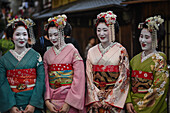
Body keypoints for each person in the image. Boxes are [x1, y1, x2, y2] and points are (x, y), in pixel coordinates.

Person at [85, 11, 129, 113]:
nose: (101, 33)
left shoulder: (121, 50)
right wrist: (95, 97)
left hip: (113, 100)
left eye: (105, 30)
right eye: (98, 30)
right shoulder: (91, 51)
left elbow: (124, 77)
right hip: (96, 99)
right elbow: (89, 76)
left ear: (112, 30)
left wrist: (110, 99)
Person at [0, 18, 45, 113]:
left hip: (32, 101)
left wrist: (33, 104)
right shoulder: (4, 59)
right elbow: (2, 83)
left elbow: (41, 80)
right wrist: (11, 106)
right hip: (12, 101)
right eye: (17, 34)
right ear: (12, 37)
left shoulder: (36, 56)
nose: (21, 38)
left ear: (28, 36)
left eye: (24, 34)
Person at [126, 15, 169, 113]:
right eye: (141, 36)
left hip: (150, 107)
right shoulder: (135, 59)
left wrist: (140, 108)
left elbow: (159, 89)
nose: (142, 40)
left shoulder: (160, 61)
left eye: (147, 37)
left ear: (156, 40)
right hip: (132, 105)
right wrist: (128, 101)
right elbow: (127, 81)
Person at [44, 15, 85, 113]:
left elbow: (79, 78)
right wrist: (47, 101)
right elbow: (45, 79)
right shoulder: (47, 54)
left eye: (56, 34)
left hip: (69, 100)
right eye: (50, 35)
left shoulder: (73, 51)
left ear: (63, 33)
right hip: (52, 101)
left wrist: (68, 102)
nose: (53, 38)